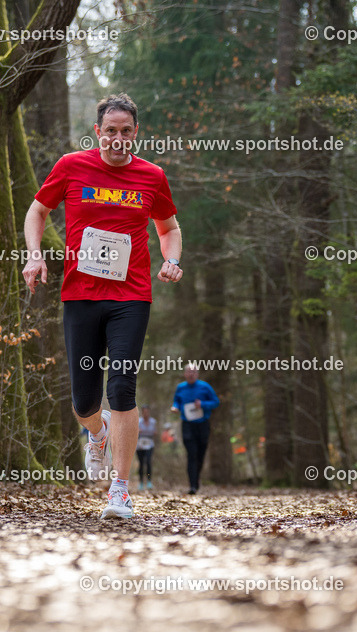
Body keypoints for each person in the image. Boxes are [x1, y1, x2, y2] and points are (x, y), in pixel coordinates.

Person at [22, 93, 183, 519]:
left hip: (131, 296)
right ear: (97, 133)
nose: (117, 138)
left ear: (136, 134)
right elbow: (37, 211)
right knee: (83, 403)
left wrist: (172, 259)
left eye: (125, 131)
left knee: (122, 389)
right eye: (110, 131)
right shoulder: (71, 166)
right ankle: (98, 433)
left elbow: (168, 227)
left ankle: (119, 490)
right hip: (81, 296)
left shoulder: (151, 176)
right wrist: (34, 254)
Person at [171, 364, 219, 494]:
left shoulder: (205, 387)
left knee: (200, 454)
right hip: (187, 425)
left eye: (193, 372)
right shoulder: (180, 388)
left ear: (197, 374)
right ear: (185, 374)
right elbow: (176, 401)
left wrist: (203, 404)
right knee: (191, 454)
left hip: (202, 424)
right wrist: (175, 407)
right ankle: (192, 485)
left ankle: (196, 478)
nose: (191, 374)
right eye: (188, 372)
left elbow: (216, 402)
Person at [136, 405, 157, 490]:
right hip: (140, 444)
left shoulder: (153, 421)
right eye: (144, 412)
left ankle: (149, 481)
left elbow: (155, 432)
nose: (146, 413)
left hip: (149, 444)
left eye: (147, 412)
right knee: (141, 463)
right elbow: (135, 431)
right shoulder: (138, 421)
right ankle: (141, 482)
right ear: (142, 412)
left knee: (148, 462)